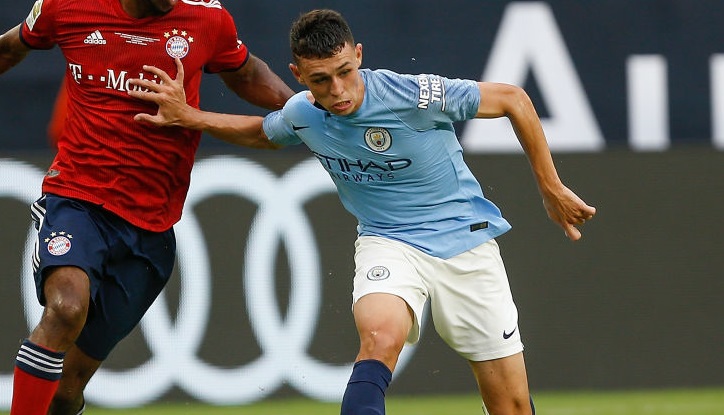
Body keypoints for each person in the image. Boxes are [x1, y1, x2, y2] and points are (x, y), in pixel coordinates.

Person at [129, 9, 596, 415]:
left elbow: (513, 98)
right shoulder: (303, 113)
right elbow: (264, 133)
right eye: (320, 80)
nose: (337, 90)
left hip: (465, 240)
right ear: (297, 74)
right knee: (379, 339)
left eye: (345, 72)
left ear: (359, 54)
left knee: (510, 407)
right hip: (387, 241)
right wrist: (189, 116)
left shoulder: (412, 95)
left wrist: (550, 186)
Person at [0, 0, 294, 413]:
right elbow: (10, 48)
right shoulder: (66, 6)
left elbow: (245, 72)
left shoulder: (207, 17)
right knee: (66, 308)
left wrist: (304, 109)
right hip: (78, 200)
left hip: (151, 226)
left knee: (66, 389)